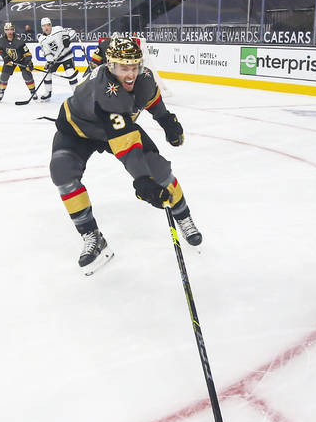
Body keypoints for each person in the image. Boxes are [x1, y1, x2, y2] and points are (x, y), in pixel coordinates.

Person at [48, 37, 201, 275]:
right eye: (123, 68)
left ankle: (184, 217)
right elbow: (127, 148)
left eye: (134, 67)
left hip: (117, 125)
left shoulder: (145, 78)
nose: (130, 74)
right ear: (110, 66)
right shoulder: (105, 91)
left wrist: (167, 122)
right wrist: (141, 181)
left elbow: (153, 100)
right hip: (77, 129)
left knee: (158, 169)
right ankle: (92, 235)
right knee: (62, 171)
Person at [36, 17, 79, 102]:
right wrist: (50, 61)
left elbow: (72, 32)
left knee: (70, 73)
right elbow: (47, 52)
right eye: (44, 26)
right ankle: (48, 93)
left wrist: (67, 38)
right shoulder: (41, 39)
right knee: (47, 73)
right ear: (42, 27)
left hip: (67, 56)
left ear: (51, 25)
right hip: (55, 59)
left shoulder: (58, 29)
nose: (46, 27)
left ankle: (77, 94)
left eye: (48, 25)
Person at [0, 21, 36, 102]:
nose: (9, 32)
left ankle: (33, 92)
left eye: (11, 29)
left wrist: (29, 62)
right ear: (5, 31)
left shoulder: (19, 40)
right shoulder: (1, 41)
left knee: (26, 74)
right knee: (4, 76)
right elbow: (0, 50)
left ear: (13, 30)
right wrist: (6, 58)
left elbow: (27, 52)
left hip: (21, 60)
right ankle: (1, 92)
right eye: (7, 30)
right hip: (9, 61)